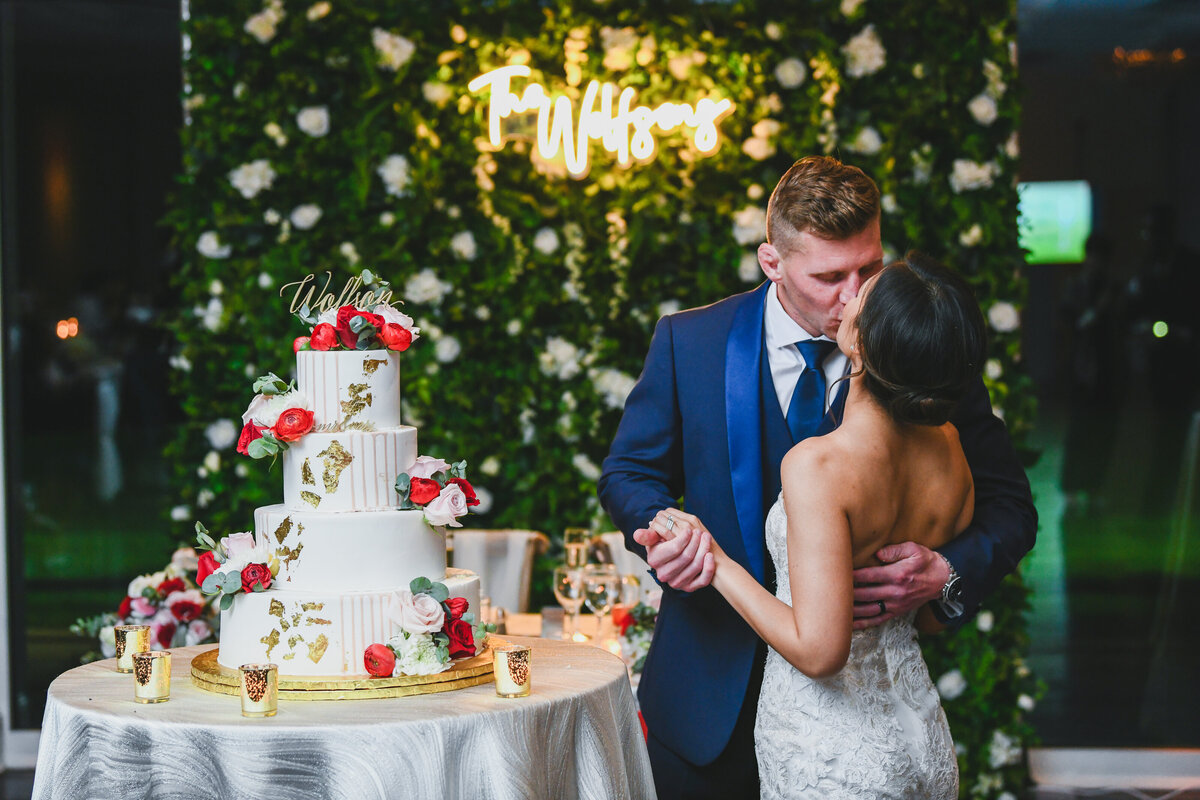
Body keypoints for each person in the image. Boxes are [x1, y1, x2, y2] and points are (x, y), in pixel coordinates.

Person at [598, 156, 1037, 798]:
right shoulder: (689, 342)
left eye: (870, 267)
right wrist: (667, 528)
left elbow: (1009, 505)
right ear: (772, 262)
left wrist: (949, 569)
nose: (856, 296)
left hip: (850, 728)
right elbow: (629, 472)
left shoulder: (922, 349)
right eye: (831, 276)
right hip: (704, 705)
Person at [649, 252, 984, 797]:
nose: (847, 297)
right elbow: (930, 621)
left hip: (832, 754)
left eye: (863, 295)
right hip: (920, 734)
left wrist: (716, 562)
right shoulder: (950, 448)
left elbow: (820, 653)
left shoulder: (819, 466)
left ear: (862, 343)